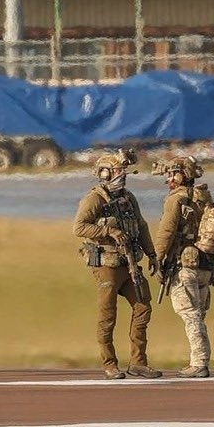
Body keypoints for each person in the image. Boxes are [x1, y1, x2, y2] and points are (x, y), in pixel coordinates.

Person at [73, 150, 159, 378]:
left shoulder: (128, 198)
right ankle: (109, 363)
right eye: (118, 171)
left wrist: (152, 254)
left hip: (129, 262)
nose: (123, 176)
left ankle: (138, 362)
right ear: (105, 173)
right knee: (107, 315)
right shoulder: (94, 199)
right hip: (107, 265)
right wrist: (108, 231)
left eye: (124, 171)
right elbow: (79, 227)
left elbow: (141, 226)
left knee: (143, 307)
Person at [152, 154, 214, 377]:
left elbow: (166, 232)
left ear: (180, 175)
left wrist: (157, 259)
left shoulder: (175, 200)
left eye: (171, 175)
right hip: (206, 264)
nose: (168, 180)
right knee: (198, 314)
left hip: (185, 265)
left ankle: (199, 362)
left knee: (190, 313)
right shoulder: (204, 198)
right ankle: (198, 361)